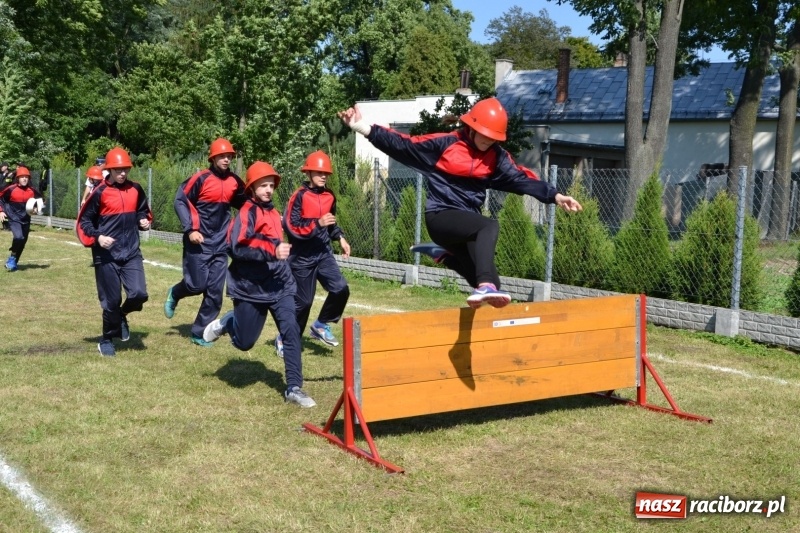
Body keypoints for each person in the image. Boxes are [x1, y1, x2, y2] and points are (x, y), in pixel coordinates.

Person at [337, 97, 583, 309]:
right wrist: (360, 126)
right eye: (485, 136)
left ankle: (444, 255)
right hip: (441, 216)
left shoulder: (496, 158)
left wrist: (555, 196)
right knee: (488, 227)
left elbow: (520, 179)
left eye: (493, 139)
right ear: (472, 128)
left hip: (466, 225)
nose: (488, 142)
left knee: (491, 282)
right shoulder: (446, 144)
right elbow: (403, 144)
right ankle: (478, 280)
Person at [202, 161, 315, 408]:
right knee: (245, 343)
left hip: (279, 284)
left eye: (271, 185)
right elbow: (238, 246)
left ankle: (294, 387)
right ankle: (229, 322)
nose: (268, 190)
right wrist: (272, 249)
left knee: (291, 331)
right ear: (252, 188)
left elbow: (279, 248)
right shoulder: (246, 212)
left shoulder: (274, 213)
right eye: (262, 185)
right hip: (250, 288)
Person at [165, 138, 246, 347]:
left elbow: (247, 204)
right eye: (222, 156)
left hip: (220, 243)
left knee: (215, 292)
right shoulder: (200, 178)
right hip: (198, 241)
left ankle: (199, 332)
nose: (227, 159)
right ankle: (176, 292)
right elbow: (180, 200)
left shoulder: (235, 182)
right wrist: (191, 228)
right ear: (213, 157)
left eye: (229, 156)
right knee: (196, 285)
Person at [77, 147, 152, 357]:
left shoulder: (136, 189)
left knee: (139, 294)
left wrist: (143, 221)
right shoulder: (99, 192)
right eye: (118, 169)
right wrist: (98, 237)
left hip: (131, 252)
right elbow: (85, 221)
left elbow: (142, 210)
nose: (122, 173)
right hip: (106, 255)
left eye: (125, 169)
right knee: (110, 301)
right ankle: (107, 339)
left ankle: (122, 315)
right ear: (109, 170)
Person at [274, 150, 350, 357]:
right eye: (318, 172)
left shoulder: (329, 195)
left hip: (323, 253)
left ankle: (321, 324)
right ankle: (284, 338)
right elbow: (291, 227)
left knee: (341, 289)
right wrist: (317, 224)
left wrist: (340, 237)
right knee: (303, 303)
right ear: (308, 173)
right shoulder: (298, 196)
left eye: (326, 173)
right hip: (301, 257)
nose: (323, 176)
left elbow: (331, 222)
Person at [0, 166, 45, 272]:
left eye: (26, 177)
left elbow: (41, 200)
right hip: (13, 217)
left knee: (23, 242)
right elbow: (1, 198)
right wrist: (1, 211)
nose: (24, 179)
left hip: (26, 218)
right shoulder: (11, 189)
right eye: (22, 177)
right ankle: (12, 258)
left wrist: (36, 208)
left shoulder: (32, 190)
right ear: (18, 178)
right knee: (19, 237)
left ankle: (13, 262)